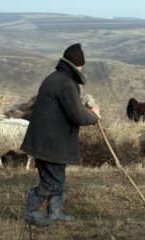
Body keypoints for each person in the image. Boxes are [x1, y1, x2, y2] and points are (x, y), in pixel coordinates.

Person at [21, 43, 100, 226]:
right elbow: (78, 116)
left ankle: (55, 213)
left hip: (45, 141)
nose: (82, 68)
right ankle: (30, 210)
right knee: (52, 182)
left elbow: (71, 109)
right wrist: (94, 115)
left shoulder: (55, 78)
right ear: (77, 65)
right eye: (81, 65)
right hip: (51, 143)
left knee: (56, 178)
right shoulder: (66, 84)